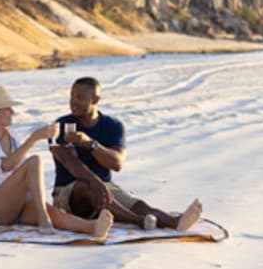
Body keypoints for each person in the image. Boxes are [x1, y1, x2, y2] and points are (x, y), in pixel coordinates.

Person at [50, 76, 203, 232]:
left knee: (139, 205)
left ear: (95, 100)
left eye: (80, 97)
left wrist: (90, 144)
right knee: (88, 188)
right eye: (72, 96)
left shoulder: (113, 126)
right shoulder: (61, 125)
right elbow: (70, 162)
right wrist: (94, 181)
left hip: (104, 187)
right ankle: (139, 221)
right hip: (69, 192)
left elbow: (116, 164)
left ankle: (175, 222)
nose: (73, 102)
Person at [0, 84, 112, 242]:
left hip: (14, 202)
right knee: (34, 161)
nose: (13, 112)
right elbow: (5, 166)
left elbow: (22, 170)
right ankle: (43, 219)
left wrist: (38, 200)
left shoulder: (10, 134)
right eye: (8, 109)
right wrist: (35, 138)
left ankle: (92, 227)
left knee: (54, 213)